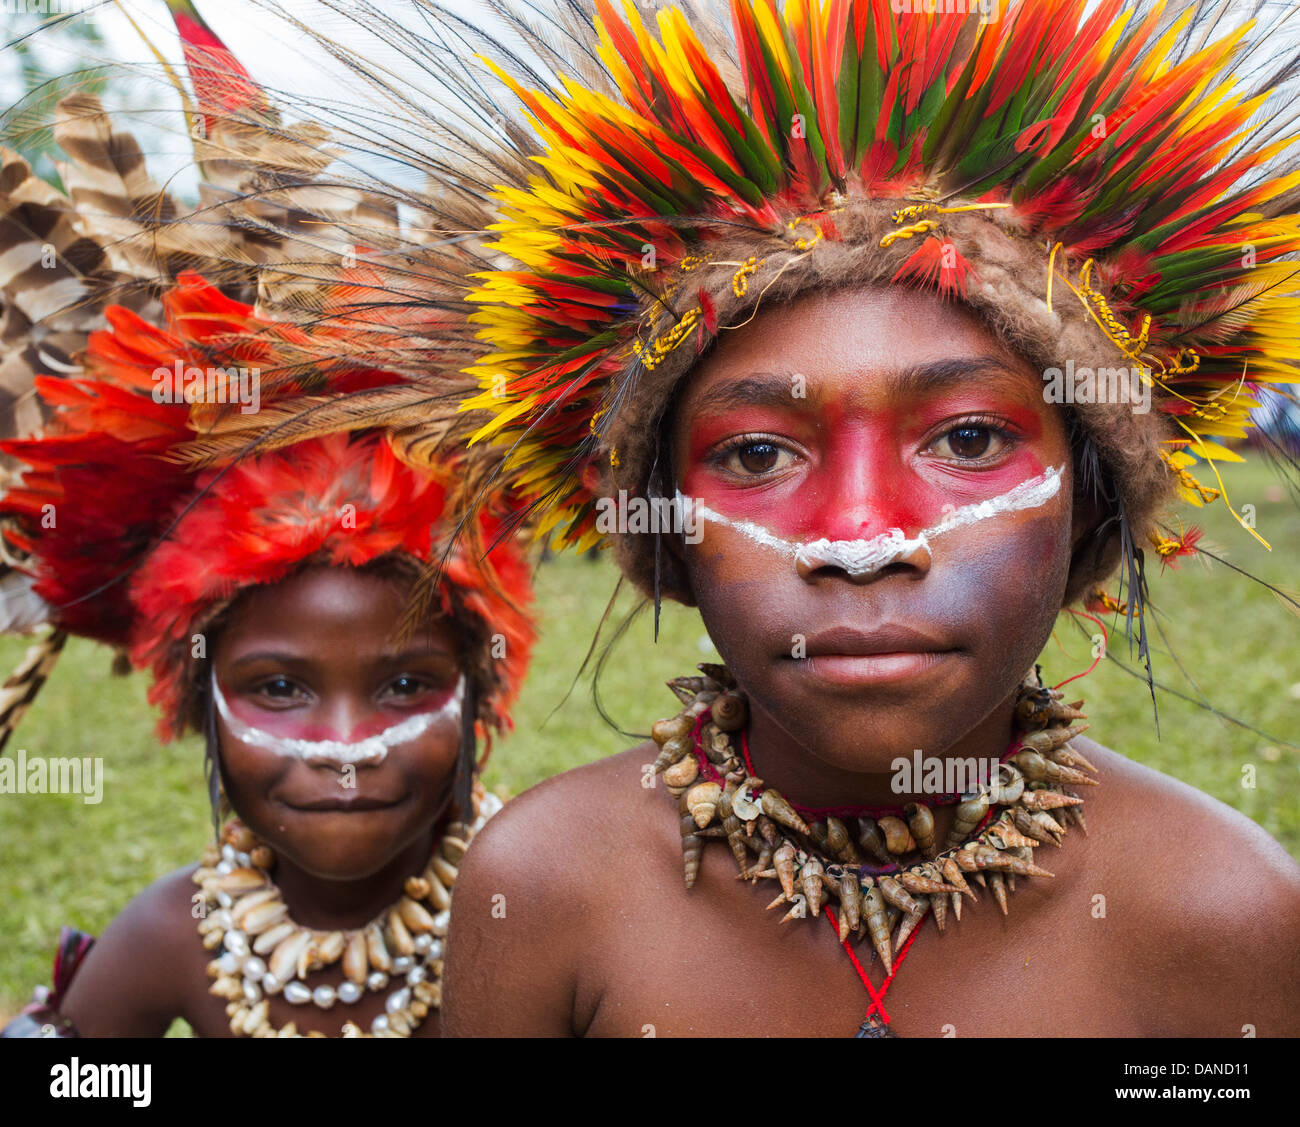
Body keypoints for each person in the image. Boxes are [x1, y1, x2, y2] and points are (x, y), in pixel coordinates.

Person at [404, 0, 1299, 1035]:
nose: (861, 539)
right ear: (667, 534)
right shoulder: (546, 888)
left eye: (966, 440)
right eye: (755, 452)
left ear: (1090, 504)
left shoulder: (1216, 910)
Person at [0, 273, 534, 1037]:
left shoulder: (535, 908)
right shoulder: (171, 936)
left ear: (481, 692)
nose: (346, 749)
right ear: (196, 698)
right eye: (280, 687)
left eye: (407, 683)